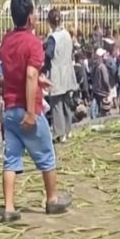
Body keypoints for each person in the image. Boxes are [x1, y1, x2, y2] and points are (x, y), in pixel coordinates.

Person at [0, 0, 72, 222]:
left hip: (9, 109)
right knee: (47, 156)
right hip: (26, 109)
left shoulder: (6, 40)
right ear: (30, 17)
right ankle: (52, 200)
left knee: (11, 159)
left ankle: (9, 207)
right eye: (35, 11)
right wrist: (31, 111)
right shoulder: (33, 42)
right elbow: (29, 74)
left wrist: (39, 80)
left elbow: (15, 71)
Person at [44, 8, 78, 143]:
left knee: (56, 105)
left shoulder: (53, 38)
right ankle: (68, 130)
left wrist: (44, 69)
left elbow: (49, 55)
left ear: (50, 22)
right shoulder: (67, 34)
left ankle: (60, 133)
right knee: (66, 103)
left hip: (57, 73)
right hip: (68, 71)